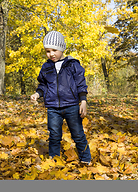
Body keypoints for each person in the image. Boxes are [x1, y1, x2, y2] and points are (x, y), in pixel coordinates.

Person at [30, 31, 92, 165]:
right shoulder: (46, 67)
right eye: (48, 51)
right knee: (54, 135)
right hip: (53, 108)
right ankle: (54, 159)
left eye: (54, 50)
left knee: (77, 134)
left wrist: (83, 101)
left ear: (62, 48)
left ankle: (85, 158)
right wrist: (37, 94)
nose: (51, 54)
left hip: (71, 105)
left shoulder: (72, 64)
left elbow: (81, 84)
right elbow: (43, 85)